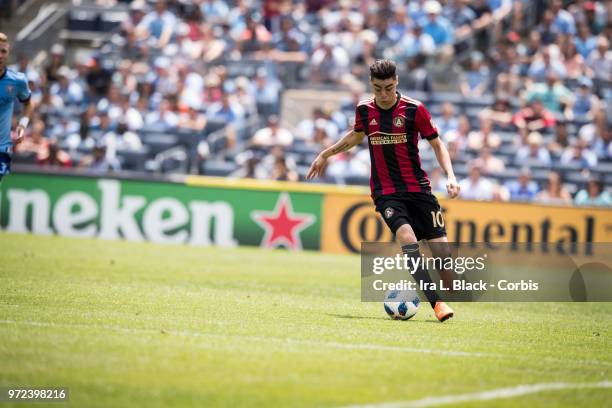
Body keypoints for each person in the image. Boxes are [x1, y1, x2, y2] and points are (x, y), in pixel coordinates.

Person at [307, 59, 459, 322]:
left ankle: (445, 289)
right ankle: (437, 305)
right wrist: (326, 154)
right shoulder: (364, 111)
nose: (384, 95)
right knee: (407, 238)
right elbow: (355, 136)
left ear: (397, 81)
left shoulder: (414, 109)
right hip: (386, 192)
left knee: (446, 266)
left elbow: (437, 144)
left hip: (419, 190)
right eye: (378, 89)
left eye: (388, 88)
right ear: (371, 85)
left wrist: (451, 175)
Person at [0, 33, 34, 182]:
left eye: (3, 51)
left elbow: (28, 103)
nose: (0, 55)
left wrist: (22, 124)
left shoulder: (17, 80)